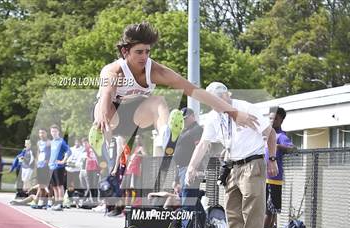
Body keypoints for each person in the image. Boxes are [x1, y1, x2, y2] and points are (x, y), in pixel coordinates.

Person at [91, 22, 258, 157]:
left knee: (158, 100)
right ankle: (101, 138)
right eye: (139, 52)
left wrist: (233, 112)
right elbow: (106, 94)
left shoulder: (156, 71)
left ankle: (165, 136)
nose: (144, 57)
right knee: (103, 108)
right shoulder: (113, 71)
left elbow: (195, 91)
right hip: (113, 117)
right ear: (124, 51)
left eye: (147, 52)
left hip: (138, 118)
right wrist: (102, 119)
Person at [186, 82, 278, 228]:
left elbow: (271, 133)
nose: (218, 105)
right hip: (232, 166)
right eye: (214, 102)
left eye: (221, 99)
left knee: (252, 210)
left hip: (252, 163)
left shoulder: (245, 108)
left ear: (228, 95)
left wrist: (272, 159)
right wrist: (191, 167)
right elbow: (203, 144)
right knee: (232, 210)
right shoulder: (213, 117)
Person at [167, 107, 205, 228]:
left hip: (191, 168)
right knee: (192, 199)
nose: (184, 121)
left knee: (187, 198)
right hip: (182, 168)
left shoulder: (197, 129)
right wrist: (177, 179)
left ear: (192, 116)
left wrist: (195, 168)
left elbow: (200, 149)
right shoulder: (185, 131)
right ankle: (204, 227)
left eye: (185, 118)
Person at [264, 107, 295, 228]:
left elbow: (292, 148)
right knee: (263, 209)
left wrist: (277, 146)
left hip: (274, 178)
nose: (272, 121)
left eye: (275, 118)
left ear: (281, 120)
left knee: (270, 210)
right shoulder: (266, 135)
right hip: (262, 177)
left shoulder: (281, 136)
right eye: (270, 118)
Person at [48, 124, 71, 211]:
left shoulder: (61, 141)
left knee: (60, 185)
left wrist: (63, 161)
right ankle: (56, 202)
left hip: (59, 167)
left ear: (58, 132)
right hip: (51, 167)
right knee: (54, 186)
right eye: (52, 131)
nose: (53, 133)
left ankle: (60, 204)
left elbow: (69, 151)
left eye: (55, 131)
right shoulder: (52, 142)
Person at [122, 135, 146, 206]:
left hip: (134, 171)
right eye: (136, 138)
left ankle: (132, 205)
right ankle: (127, 205)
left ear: (142, 139)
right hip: (129, 170)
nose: (137, 140)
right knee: (127, 189)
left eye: (138, 138)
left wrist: (138, 155)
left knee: (132, 189)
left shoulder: (141, 148)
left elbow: (145, 155)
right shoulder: (136, 148)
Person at [31, 128, 51, 209]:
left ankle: (49, 202)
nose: (41, 135)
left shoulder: (49, 143)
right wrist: (37, 162)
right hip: (40, 165)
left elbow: (52, 153)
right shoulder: (39, 142)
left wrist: (48, 161)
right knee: (41, 184)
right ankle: (40, 202)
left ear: (46, 133)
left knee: (48, 185)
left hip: (47, 166)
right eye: (40, 133)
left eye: (43, 133)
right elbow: (38, 152)